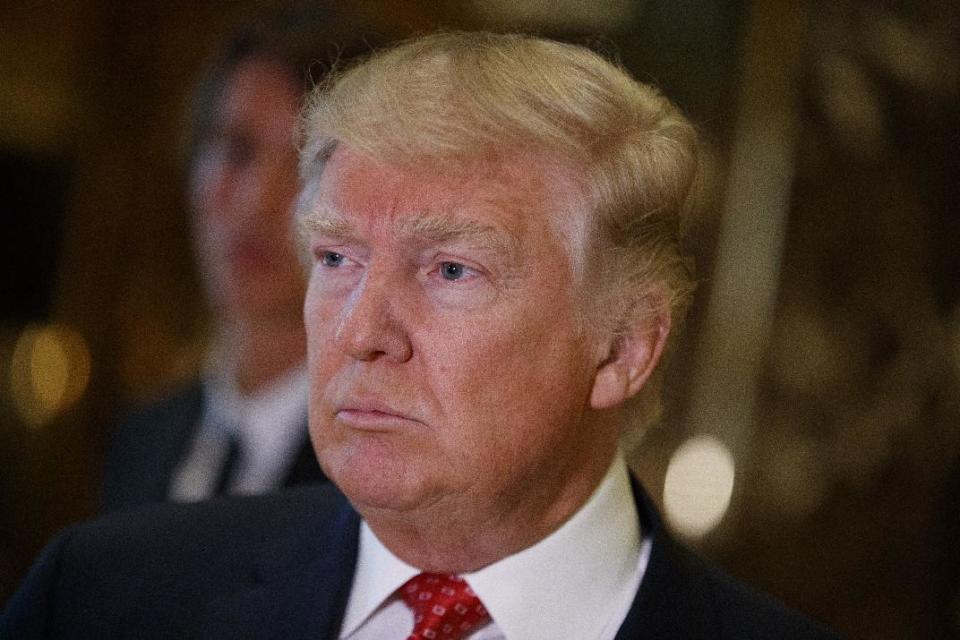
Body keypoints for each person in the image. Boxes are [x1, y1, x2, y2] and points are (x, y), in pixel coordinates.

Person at [2, 32, 841, 639]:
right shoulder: (103, 597)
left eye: (449, 272)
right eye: (336, 257)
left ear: (623, 347)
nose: (361, 333)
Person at [102, 5, 376, 510]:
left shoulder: (379, 466)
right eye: (235, 149)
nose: (257, 201)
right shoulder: (143, 440)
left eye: (304, 164)